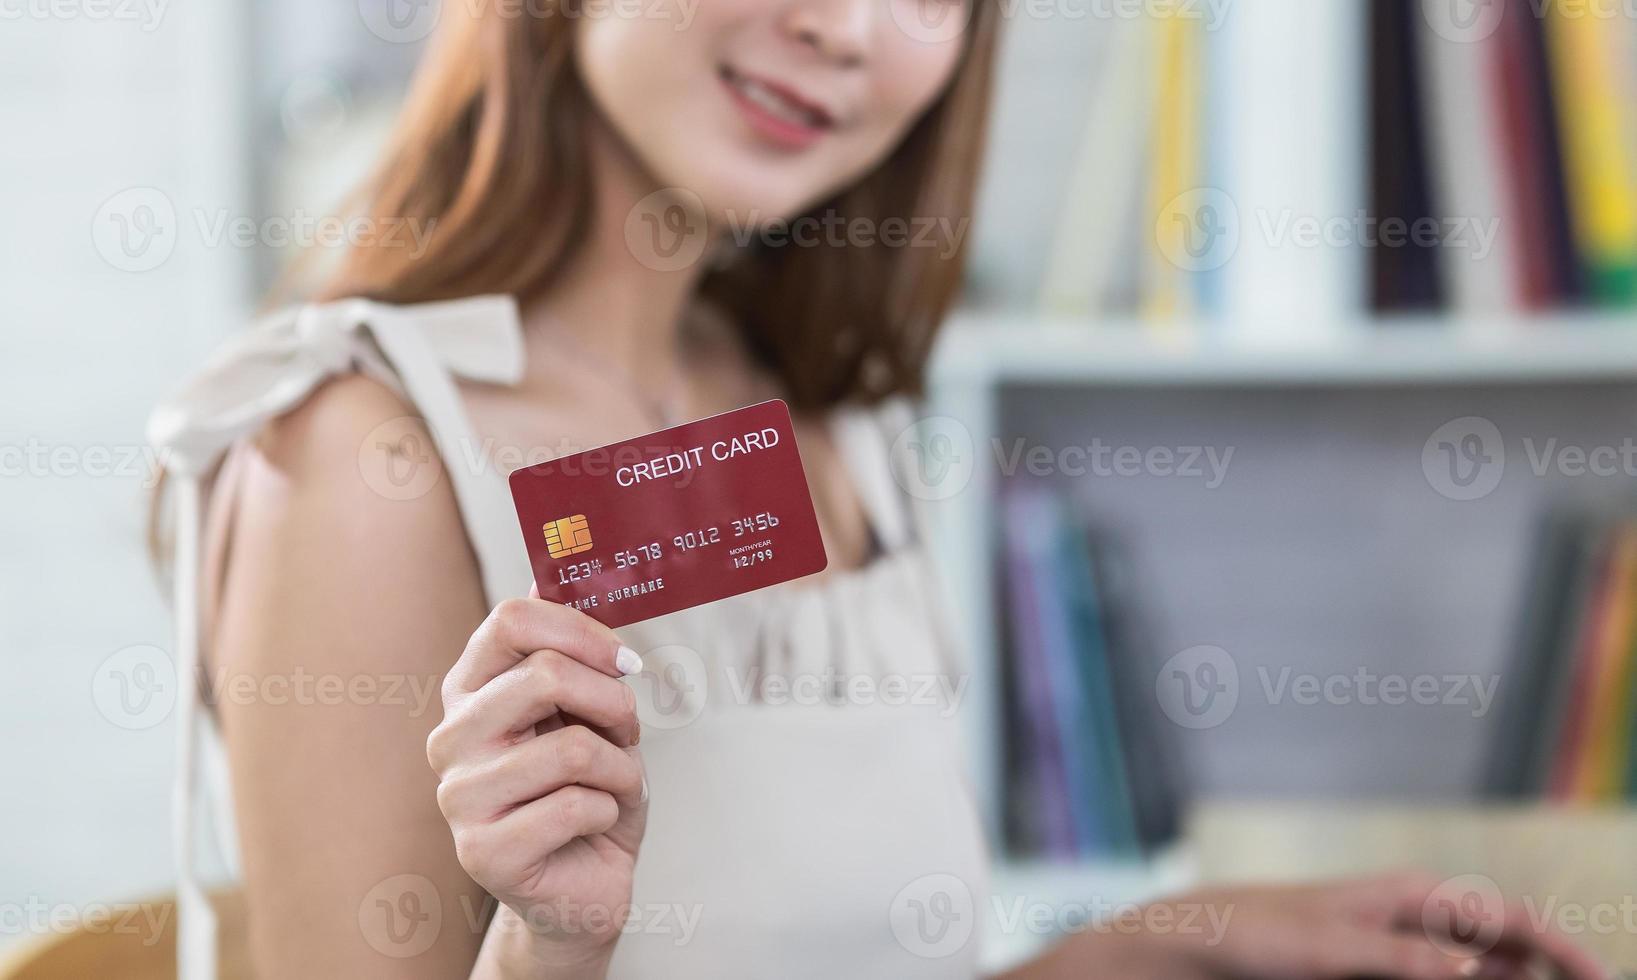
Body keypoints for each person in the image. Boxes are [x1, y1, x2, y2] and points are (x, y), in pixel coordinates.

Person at [147, 1, 1611, 978]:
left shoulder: (817, 411)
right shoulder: (359, 453)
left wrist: (1184, 940)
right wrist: (552, 948)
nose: (843, 29)